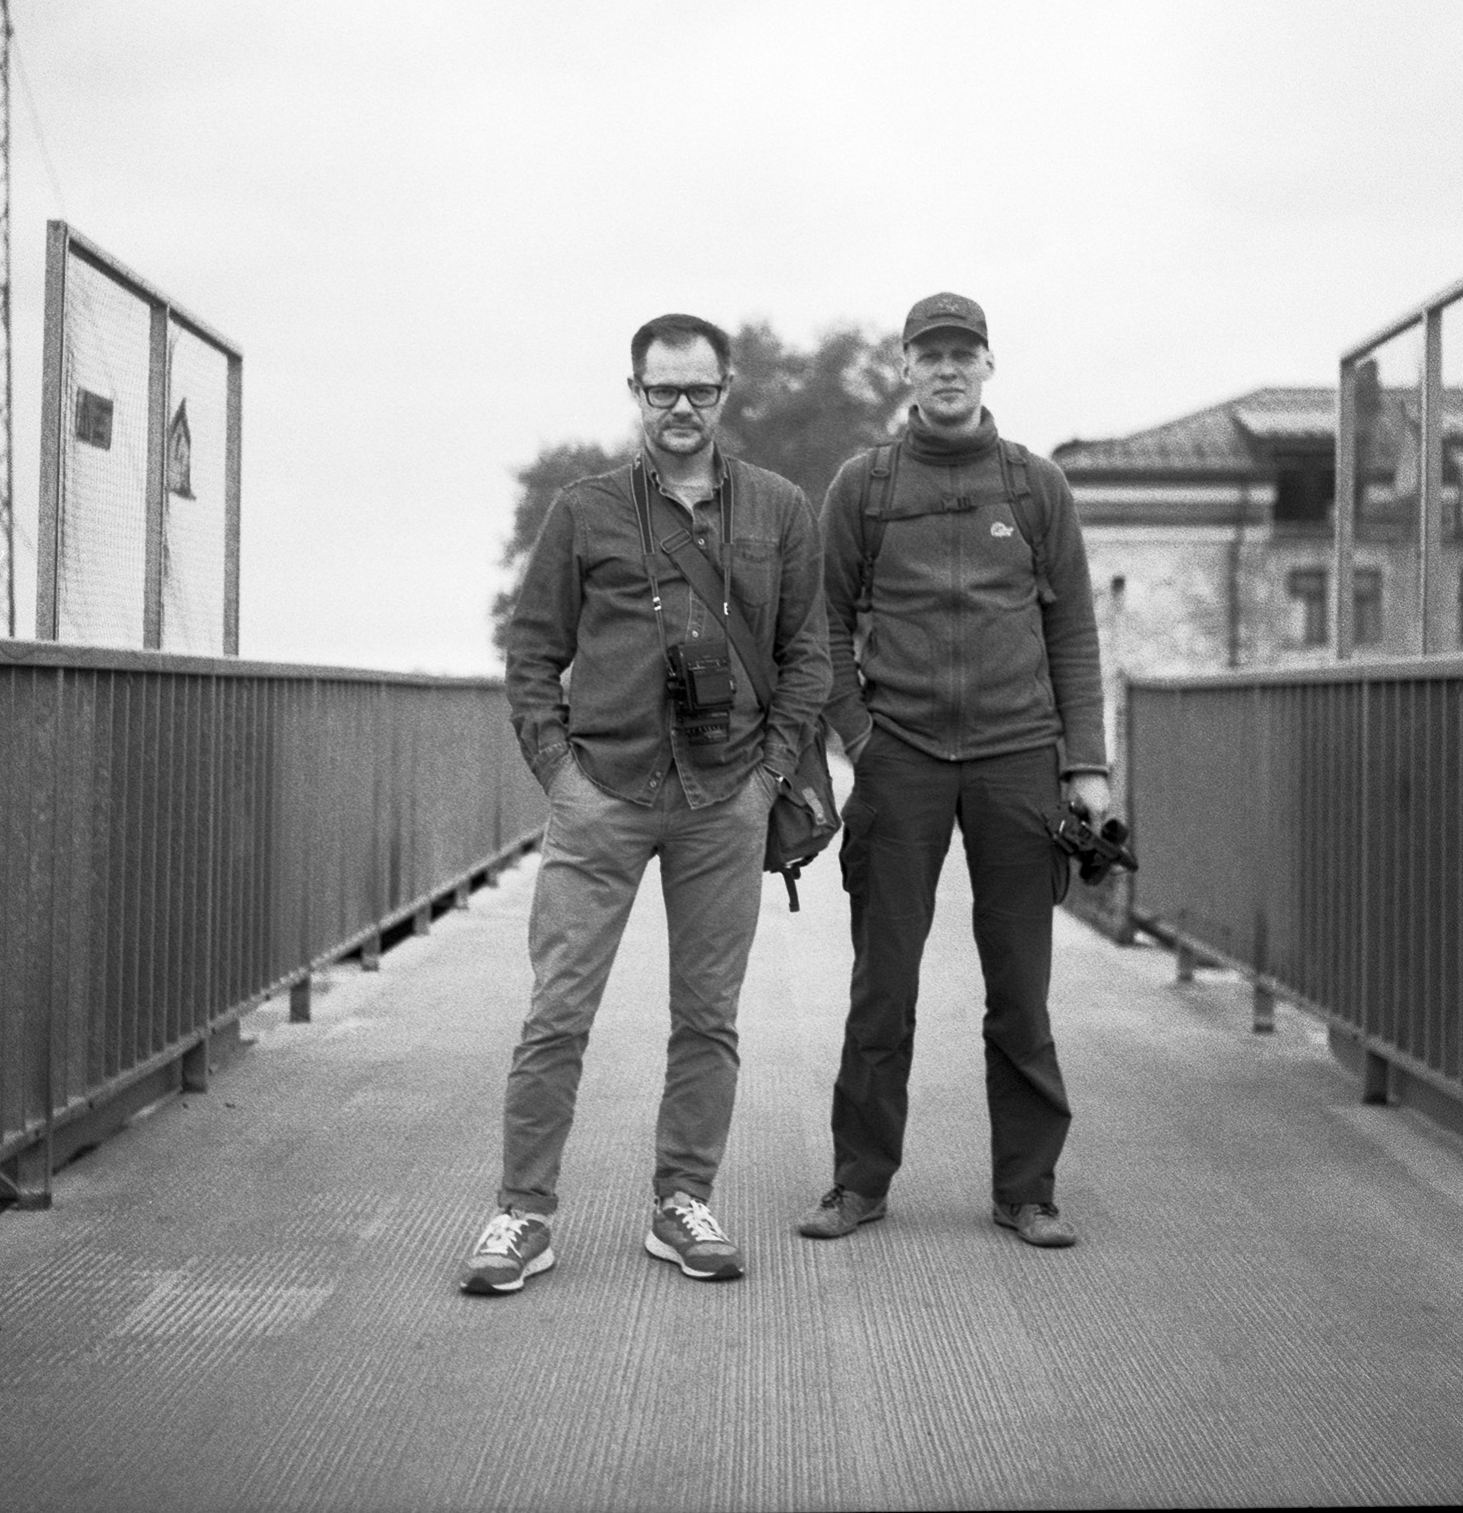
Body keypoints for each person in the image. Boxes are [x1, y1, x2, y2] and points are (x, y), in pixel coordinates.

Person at [460, 313, 831, 1294]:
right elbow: (532, 652)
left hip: (726, 795)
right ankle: (523, 1213)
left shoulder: (781, 508)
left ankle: (682, 1202)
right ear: (636, 393)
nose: (681, 407)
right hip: (605, 791)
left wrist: (767, 777)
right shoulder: (584, 511)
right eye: (662, 389)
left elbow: (808, 656)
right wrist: (560, 774)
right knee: (557, 1013)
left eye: (699, 389)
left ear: (726, 392)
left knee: (707, 1017)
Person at [797, 290, 1110, 1250]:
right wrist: (862, 738)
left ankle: (1028, 1190)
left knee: (1020, 988)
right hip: (903, 758)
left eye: (962, 353)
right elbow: (821, 623)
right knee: (882, 985)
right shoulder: (863, 486)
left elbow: (1073, 629)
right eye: (929, 354)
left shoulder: (1035, 486)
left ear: (986, 365)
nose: (946, 368)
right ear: (905, 367)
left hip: (1019, 757)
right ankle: (858, 1183)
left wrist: (1086, 765)